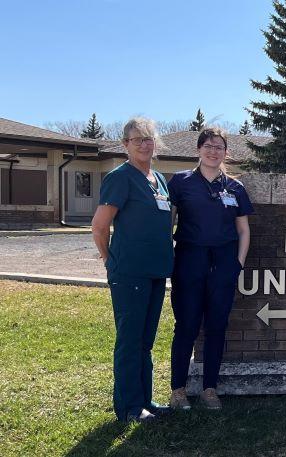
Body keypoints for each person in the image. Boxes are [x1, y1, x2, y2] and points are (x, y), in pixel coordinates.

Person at [91, 117, 173, 422]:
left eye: (149, 138)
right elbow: (100, 226)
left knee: (145, 340)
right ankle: (128, 407)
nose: (144, 144)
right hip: (130, 272)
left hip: (155, 271)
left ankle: (145, 400)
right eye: (137, 139)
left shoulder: (158, 179)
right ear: (126, 145)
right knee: (130, 339)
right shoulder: (120, 177)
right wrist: (109, 260)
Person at [167, 127, 253, 410]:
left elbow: (243, 229)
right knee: (187, 325)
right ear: (198, 149)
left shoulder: (235, 188)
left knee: (217, 326)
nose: (213, 151)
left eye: (219, 147)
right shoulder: (181, 182)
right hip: (189, 260)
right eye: (208, 145)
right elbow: (168, 223)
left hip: (224, 263)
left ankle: (209, 389)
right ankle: (178, 390)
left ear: (226, 152)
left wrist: (237, 264)